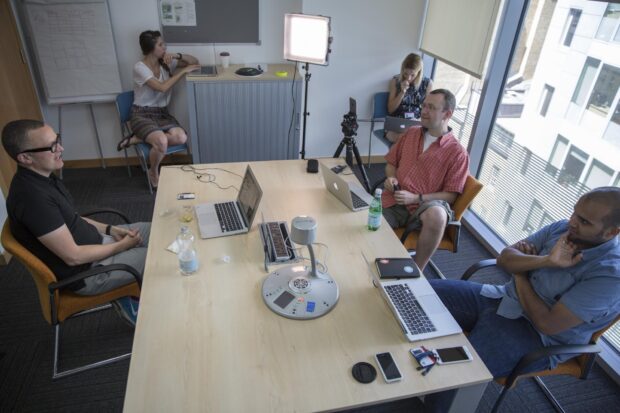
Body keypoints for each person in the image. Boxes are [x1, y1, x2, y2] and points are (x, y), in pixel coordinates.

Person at [424, 187, 620, 412]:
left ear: (611, 232)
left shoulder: (611, 275)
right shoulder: (561, 229)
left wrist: (520, 272)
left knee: (457, 375)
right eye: (575, 213)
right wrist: (546, 261)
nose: (572, 222)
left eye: (584, 221)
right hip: (502, 298)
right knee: (417, 294)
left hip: (535, 336)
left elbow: (547, 323)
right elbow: (504, 259)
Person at [3, 120, 151, 326]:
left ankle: (131, 295)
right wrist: (121, 246)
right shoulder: (31, 199)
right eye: (52, 146)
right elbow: (73, 257)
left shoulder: (44, 177)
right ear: (25, 157)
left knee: (157, 229)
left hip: (98, 244)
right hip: (88, 272)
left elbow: (72, 217)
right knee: (159, 258)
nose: (61, 148)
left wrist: (111, 229)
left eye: (58, 140)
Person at [382, 89, 469, 272]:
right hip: (395, 199)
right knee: (363, 227)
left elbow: (451, 196)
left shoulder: (457, 153)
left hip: (424, 205)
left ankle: (417, 272)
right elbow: (391, 163)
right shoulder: (412, 133)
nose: (423, 111)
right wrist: (391, 177)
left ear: (448, 114)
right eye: (424, 106)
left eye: (431, 107)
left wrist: (415, 198)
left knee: (437, 214)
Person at [118, 30, 200, 189]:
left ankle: (137, 138)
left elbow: (195, 62)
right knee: (161, 141)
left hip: (161, 114)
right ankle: (153, 171)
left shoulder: (166, 62)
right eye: (161, 45)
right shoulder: (140, 68)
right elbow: (161, 88)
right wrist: (182, 71)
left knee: (181, 138)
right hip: (141, 113)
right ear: (151, 48)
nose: (165, 47)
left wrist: (177, 56)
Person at [385, 53, 433, 143]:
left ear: (419, 72)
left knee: (415, 138)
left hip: (416, 123)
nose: (408, 78)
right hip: (397, 124)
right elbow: (390, 110)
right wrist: (402, 92)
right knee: (403, 138)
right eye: (405, 73)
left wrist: (419, 120)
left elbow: (428, 109)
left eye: (412, 75)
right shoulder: (395, 81)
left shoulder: (427, 84)